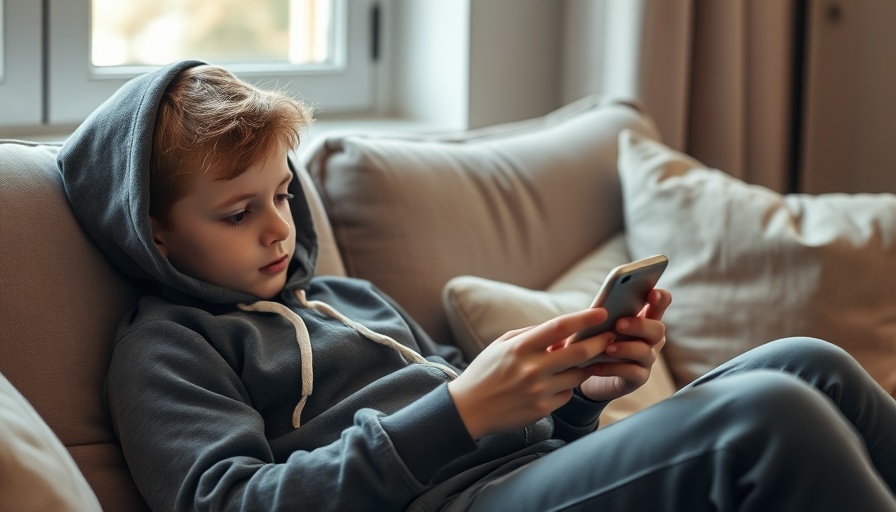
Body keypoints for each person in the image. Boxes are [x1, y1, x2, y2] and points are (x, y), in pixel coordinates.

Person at [59, 60, 896, 511]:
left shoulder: (348, 300)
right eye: (237, 213)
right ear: (153, 228)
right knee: (763, 418)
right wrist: (454, 413)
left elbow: (531, 443)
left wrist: (583, 394)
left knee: (805, 363)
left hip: (523, 477)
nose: (279, 226)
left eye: (281, 193)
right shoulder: (167, 349)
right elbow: (232, 504)